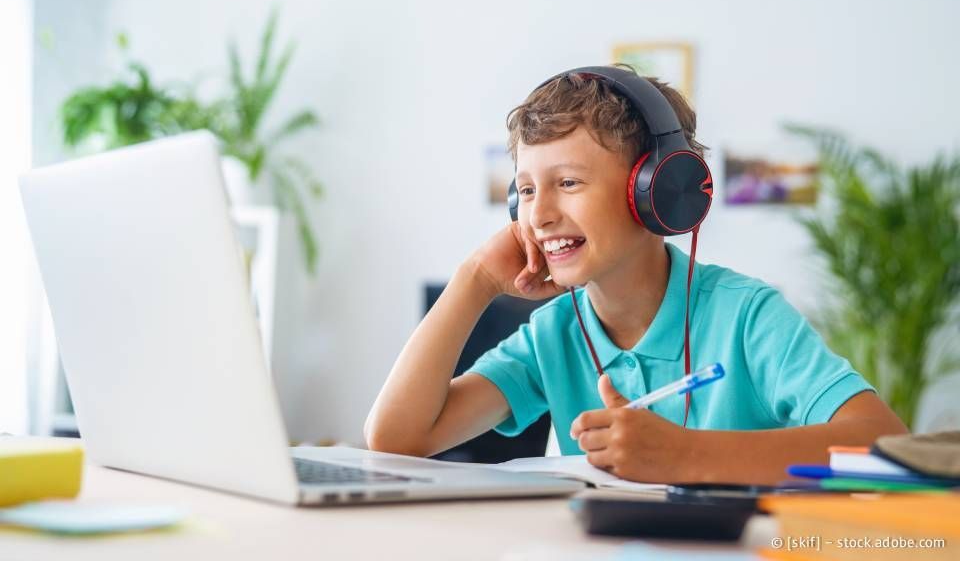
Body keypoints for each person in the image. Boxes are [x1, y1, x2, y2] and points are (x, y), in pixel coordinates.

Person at [364, 66, 907, 484]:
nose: (539, 215)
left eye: (568, 183)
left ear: (655, 192)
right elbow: (396, 438)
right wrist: (476, 277)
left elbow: (883, 444)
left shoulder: (746, 317)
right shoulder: (555, 332)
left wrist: (685, 455)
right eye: (525, 190)